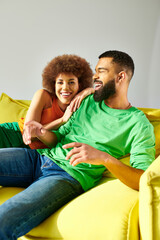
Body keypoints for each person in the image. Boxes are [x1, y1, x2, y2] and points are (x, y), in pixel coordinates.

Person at [0, 50, 155, 240]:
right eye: (95, 71)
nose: (95, 76)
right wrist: (42, 132)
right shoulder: (88, 102)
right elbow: (60, 137)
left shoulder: (138, 124)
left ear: (120, 76)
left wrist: (104, 158)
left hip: (66, 176)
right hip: (39, 158)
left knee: (3, 219)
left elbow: (142, 179)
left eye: (101, 71)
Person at [0, 54, 94, 149]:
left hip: (35, 152)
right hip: (12, 135)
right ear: (53, 84)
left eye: (71, 82)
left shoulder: (81, 104)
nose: (65, 88)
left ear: (80, 85)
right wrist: (61, 120)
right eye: (60, 82)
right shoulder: (43, 96)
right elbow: (29, 134)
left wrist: (89, 90)